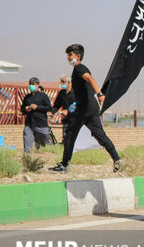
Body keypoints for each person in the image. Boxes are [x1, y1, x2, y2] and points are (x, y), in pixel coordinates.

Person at [49, 44, 123, 173]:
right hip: (92, 107)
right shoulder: (80, 68)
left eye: (70, 55)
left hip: (83, 109)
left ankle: (64, 165)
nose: (68, 57)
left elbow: (90, 78)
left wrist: (100, 94)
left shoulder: (79, 68)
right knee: (100, 135)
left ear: (77, 56)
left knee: (69, 135)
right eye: (67, 55)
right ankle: (117, 160)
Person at [21, 77, 52, 153]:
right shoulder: (27, 97)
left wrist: (37, 107)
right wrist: (26, 109)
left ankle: (50, 154)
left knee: (45, 143)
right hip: (29, 124)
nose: (31, 86)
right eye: (30, 84)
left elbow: (49, 107)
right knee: (27, 141)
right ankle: (27, 158)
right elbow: (22, 109)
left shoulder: (43, 96)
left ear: (38, 85)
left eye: (33, 84)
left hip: (41, 124)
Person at [50, 75, 75, 144]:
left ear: (69, 82)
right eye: (61, 82)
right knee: (66, 137)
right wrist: (51, 112)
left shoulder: (75, 92)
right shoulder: (61, 93)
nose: (62, 84)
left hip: (75, 119)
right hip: (66, 119)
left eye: (64, 82)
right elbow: (57, 105)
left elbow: (79, 105)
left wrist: (69, 111)